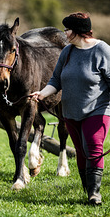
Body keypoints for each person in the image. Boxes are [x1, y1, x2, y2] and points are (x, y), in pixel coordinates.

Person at [30, 12, 110, 205]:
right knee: (81, 152)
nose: (64, 32)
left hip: (98, 109)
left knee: (93, 146)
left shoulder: (102, 50)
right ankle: (87, 188)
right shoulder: (67, 52)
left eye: (67, 29)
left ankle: (94, 193)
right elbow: (56, 80)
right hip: (71, 112)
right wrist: (42, 93)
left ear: (78, 31)